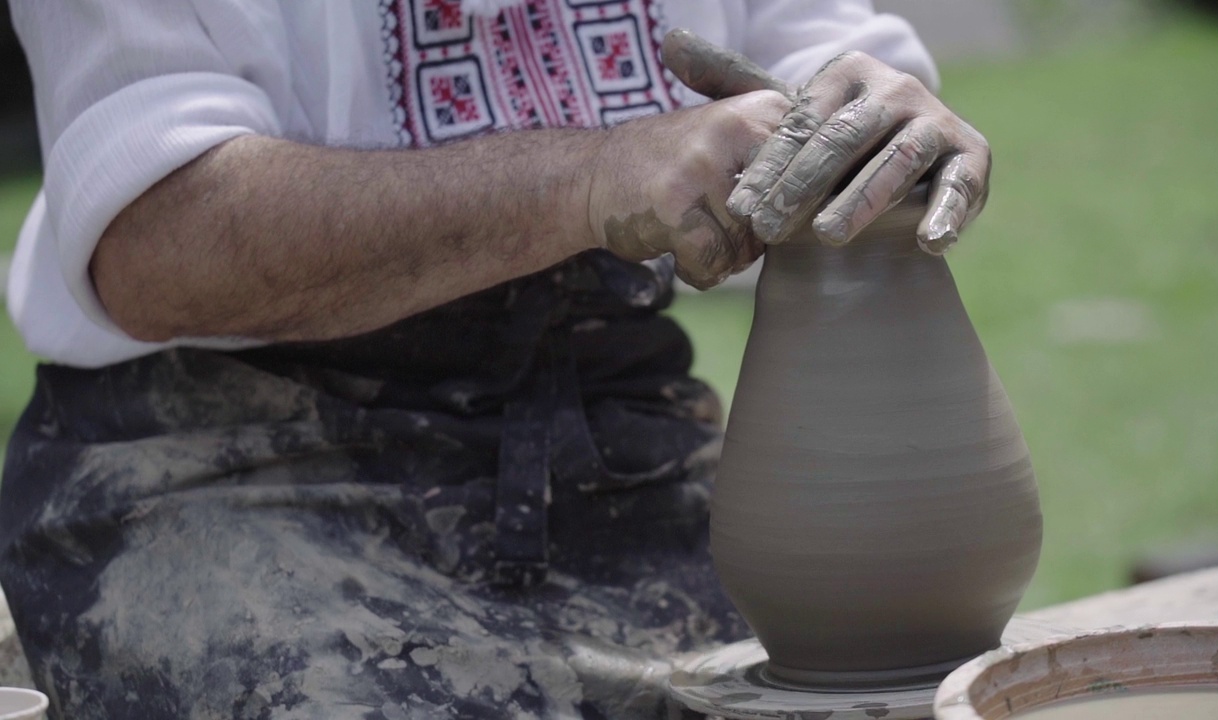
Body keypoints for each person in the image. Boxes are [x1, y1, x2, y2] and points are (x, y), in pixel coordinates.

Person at [0, 1, 990, 717]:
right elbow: (153, 238)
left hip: (614, 435)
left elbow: (817, 47)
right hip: (238, 466)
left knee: (888, 686)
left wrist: (864, 123)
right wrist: (582, 177)